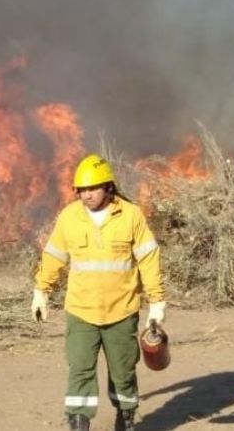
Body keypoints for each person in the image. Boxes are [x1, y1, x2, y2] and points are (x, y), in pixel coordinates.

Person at [31, 153, 166, 431]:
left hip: (122, 311)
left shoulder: (131, 216)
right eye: (81, 189)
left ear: (109, 187)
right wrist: (41, 291)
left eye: (92, 188)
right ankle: (78, 422)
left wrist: (156, 300)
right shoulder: (69, 217)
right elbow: (54, 255)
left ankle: (126, 418)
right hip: (81, 311)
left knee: (124, 372)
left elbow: (148, 258)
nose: (86, 195)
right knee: (80, 370)